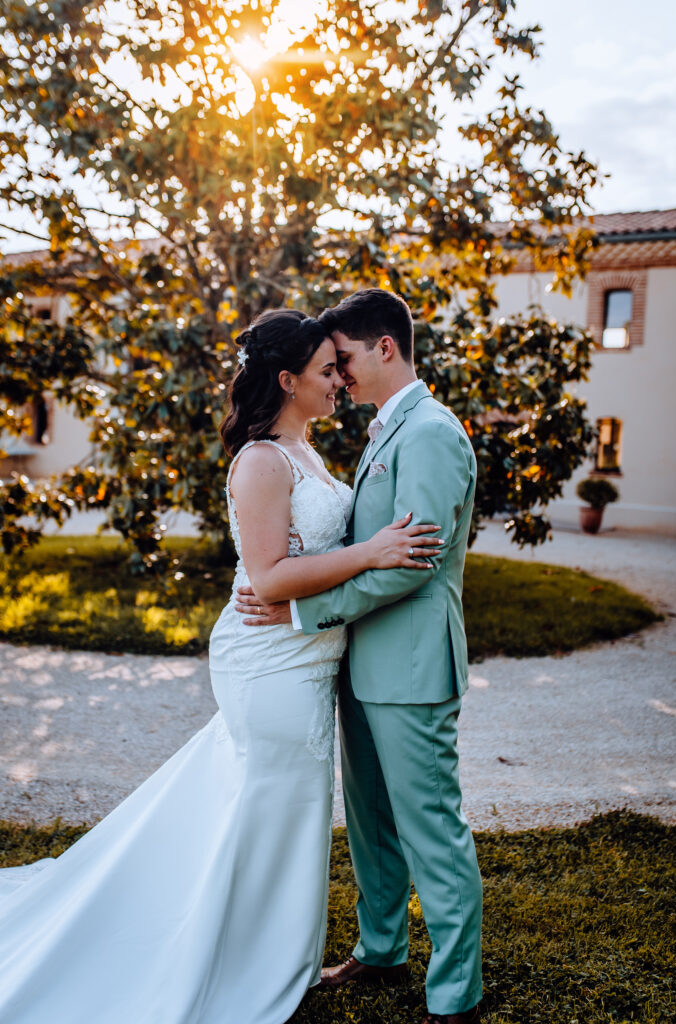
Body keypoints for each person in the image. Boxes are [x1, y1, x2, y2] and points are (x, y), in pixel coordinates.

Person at [0, 309, 442, 1024]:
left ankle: (270, 954)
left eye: (340, 366)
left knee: (280, 813)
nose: (340, 379)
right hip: (270, 662)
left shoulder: (307, 453)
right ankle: (245, 962)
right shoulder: (262, 460)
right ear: (286, 380)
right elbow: (267, 580)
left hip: (304, 657)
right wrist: (370, 553)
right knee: (272, 809)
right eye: (327, 370)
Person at [235, 291, 483, 1024]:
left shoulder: (430, 432)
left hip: (409, 665)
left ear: (384, 348)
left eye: (341, 359)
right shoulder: (385, 431)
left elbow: (415, 562)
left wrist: (302, 609)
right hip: (359, 662)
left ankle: (454, 992)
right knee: (372, 822)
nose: (336, 375)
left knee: (429, 825)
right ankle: (381, 949)